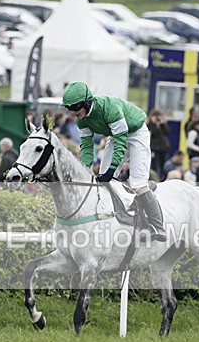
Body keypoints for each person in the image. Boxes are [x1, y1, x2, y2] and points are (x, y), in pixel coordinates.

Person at [62, 81, 166, 241]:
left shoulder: (108, 108)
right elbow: (87, 147)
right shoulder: (82, 119)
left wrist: (112, 170)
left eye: (75, 107)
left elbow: (121, 141)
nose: (73, 112)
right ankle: (119, 216)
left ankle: (157, 227)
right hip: (116, 135)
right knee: (104, 179)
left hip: (136, 132)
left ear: (87, 102)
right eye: (69, 109)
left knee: (137, 182)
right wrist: (83, 169)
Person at [147, 109, 171, 179]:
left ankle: (163, 178)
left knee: (163, 165)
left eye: (158, 116)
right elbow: (154, 132)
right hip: (154, 149)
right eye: (155, 116)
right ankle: (155, 178)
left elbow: (167, 132)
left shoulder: (162, 125)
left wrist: (163, 123)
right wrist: (153, 123)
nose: (157, 118)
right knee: (155, 165)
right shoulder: (149, 125)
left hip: (163, 148)